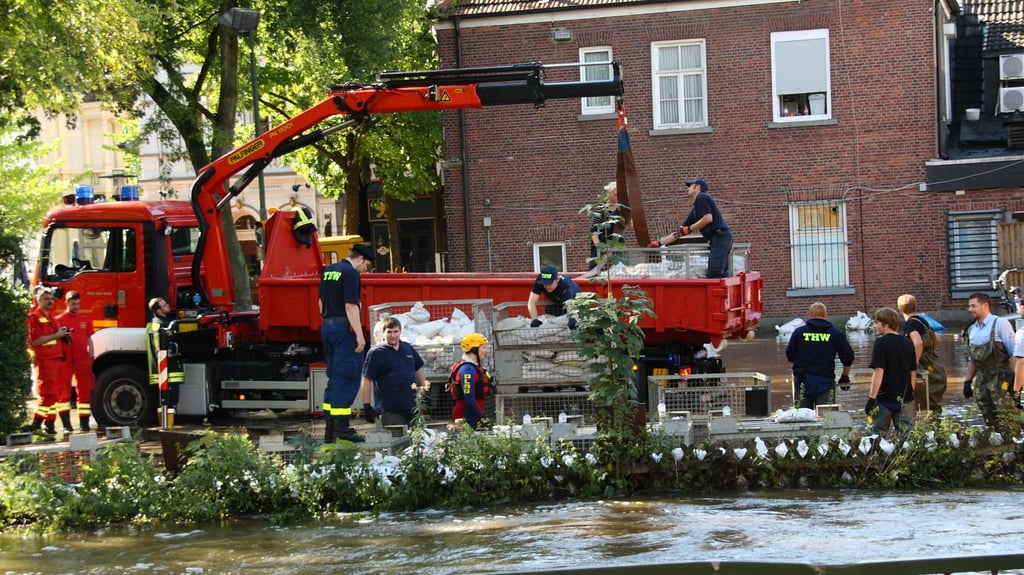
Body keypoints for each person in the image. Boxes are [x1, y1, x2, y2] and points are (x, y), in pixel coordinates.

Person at [319, 243, 375, 443]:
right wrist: (359, 334)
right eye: (366, 264)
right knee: (347, 376)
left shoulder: (329, 270)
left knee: (334, 377)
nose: (365, 269)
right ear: (359, 258)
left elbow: (321, 302)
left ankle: (330, 430)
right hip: (344, 329)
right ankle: (342, 428)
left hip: (327, 327)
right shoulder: (350, 273)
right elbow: (351, 305)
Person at [648, 178, 734, 278]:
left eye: (690, 186)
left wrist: (689, 229)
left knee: (715, 271)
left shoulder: (702, 197)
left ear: (697, 187)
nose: (687, 189)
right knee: (718, 270)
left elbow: (708, 218)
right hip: (717, 239)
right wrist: (659, 243)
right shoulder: (695, 209)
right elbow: (680, 232)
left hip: (720, 237)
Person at [360, 316, 430, 427]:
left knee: (417, 440)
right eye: (389, 332)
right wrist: (366, 405)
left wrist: (424, 392)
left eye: (396, 331)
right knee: (397, 441)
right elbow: (367, 379)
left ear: (400, 332)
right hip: (390, 410)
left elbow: (418, 368)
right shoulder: (376, 353)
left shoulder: (407, 348)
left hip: (412, 407)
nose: (393, 335)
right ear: (383, 333)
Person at [785, 302, 854, 409]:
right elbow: (848, 358)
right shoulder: (836, 333)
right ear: (825, 315)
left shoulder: (799, 332)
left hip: (803, 381)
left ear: (810, 315)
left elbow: (790, 355)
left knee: (803, 417)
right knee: (826, 417)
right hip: (825, 381)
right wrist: (845, 376)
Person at [963, 292, 1017, 428]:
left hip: (1001, 377)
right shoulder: (971, 330)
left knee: (1007, 413)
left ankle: (1015, 444)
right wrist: (967, 381)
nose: (970, 310)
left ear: (985, 305)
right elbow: (972, 359)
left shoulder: (1000, 323)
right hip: (982, 378)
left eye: (973, 306)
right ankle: (997, 440)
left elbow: (1014, 354)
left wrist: (1016, 384)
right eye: (969, 306)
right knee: (986, 409)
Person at [865, 307, 917, 437]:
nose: (874, 326)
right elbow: (913, 372)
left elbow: (879, 371)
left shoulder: (881, 343)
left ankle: (878, 457)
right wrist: (910, 392)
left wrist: (872, 398)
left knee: (877, 434)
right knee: (907, 435)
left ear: (886, 324)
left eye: (876, 323)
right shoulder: (907, 342)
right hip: (904, 397)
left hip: (885, 397)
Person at [26, 287, 70, 435]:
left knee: (54, 394)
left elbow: (55, 337)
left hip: (56, 360)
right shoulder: (35, 318)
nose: (50, 301)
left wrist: (63, 336)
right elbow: (36, 341)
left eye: (51, 299)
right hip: (45, 361)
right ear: (39, 301)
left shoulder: (51, 318)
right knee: (48, 395)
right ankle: (35, 424)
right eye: (46, 299)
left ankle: (49, 424)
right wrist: (57, 335)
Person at [896, 294, 947, 413]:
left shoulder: (908, 325)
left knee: (922, 405)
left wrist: (915, 362)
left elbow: (918, 343)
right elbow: (937, 340)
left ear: (900, 309)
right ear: (915, 306)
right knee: (933, 404)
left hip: (923, 367)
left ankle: (925, 429)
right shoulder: (923, 321)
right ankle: (936, 428)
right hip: (935, 365)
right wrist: (928, 352)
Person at [57, 291, 95, 431]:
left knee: (84, 391)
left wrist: (91, 351)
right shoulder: (59, 320)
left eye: (78, 303)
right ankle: (67, 425)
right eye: (73, 304)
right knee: (63, 392)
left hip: (82, 359)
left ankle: (84, 424)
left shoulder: (84, 320)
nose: (76, 306)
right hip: (65, 360)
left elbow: (89, 338)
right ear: (67, 303)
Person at [146, 297, 183, 416]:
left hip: (169, 368)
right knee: (168, 400)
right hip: (167, 368)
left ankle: (168, 422)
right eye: (164, 305)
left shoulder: (164, 322)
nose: (167, 305)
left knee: (171, 400)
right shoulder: (159, 324)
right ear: (158, 310)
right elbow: (159, 349)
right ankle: (167, 424)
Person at [450, 332, 491, 430]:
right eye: (483, 348)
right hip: (466, 417)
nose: (486, 351)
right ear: (474, 349)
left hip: (472, 416)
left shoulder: (472, 367)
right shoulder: (467, 369)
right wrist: (481, 418)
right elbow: (469, 397)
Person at [589, 181, 621, 270]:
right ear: (609, 194)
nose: (618, 196)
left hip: (615, 246)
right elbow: (593, 231)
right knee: (599, 271)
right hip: (602, 246)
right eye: (615, 194)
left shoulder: (621, 209)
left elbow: (630, 224)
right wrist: (600, 248)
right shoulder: (602, 209)